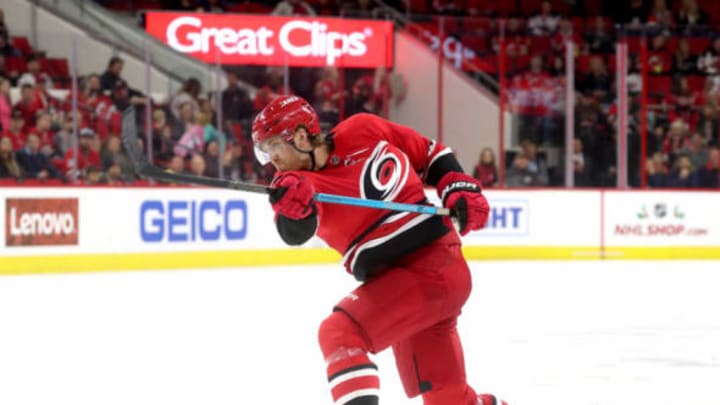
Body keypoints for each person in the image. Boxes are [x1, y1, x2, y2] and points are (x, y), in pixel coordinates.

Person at [251, 95, 504, 405]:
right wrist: (294, 209)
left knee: (340, 333)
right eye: (265, 149)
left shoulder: (363, 129)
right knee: (449, 400)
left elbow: (429, 153)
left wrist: (457, 184)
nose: (270, 157)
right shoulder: (292, 184)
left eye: (274, 145)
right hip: (402, 286)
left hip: (435, 265)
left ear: (301, 136)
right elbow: (293, 234)